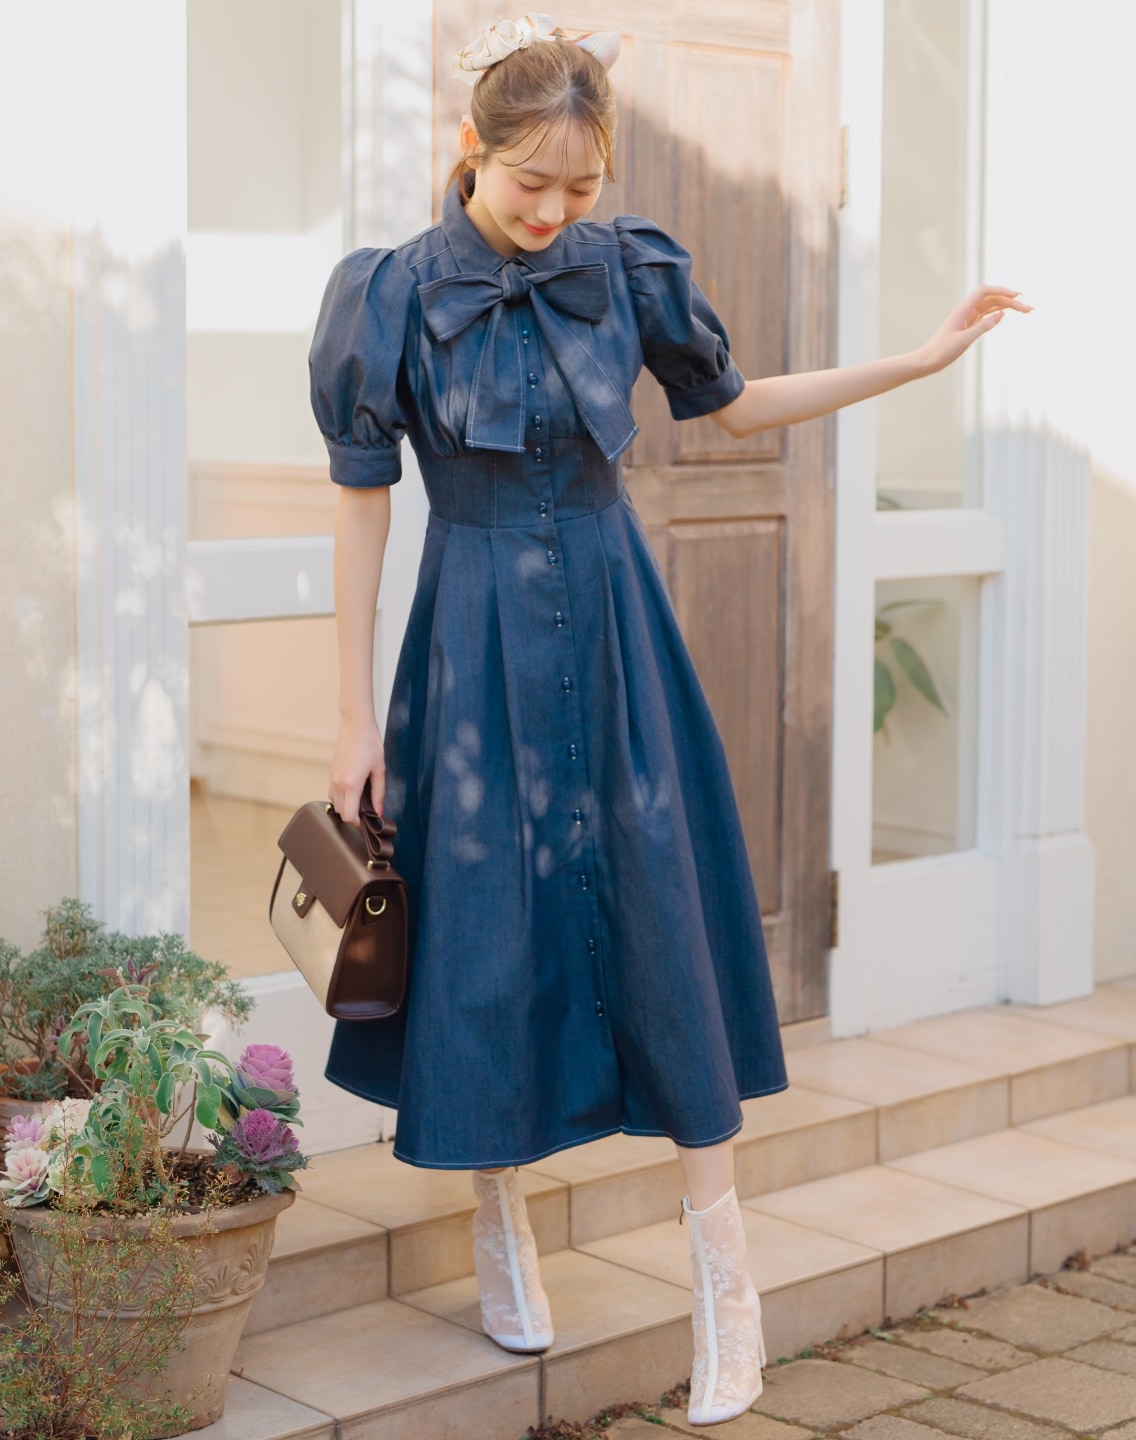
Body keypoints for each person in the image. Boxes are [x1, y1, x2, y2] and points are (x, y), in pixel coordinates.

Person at [308, 12, 1030, 1425]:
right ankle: (500, 1217)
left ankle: (727, 1286)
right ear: (471, 148)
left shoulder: (627, 269)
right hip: (469, 637)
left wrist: (916, 364)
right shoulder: (388, 294)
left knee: (660, 915)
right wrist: (350, 720)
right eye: (533, 184)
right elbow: (358, 510)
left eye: (582, 186)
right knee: (484, 927)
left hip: (618, 627)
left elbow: (737, 407)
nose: (557, 212)